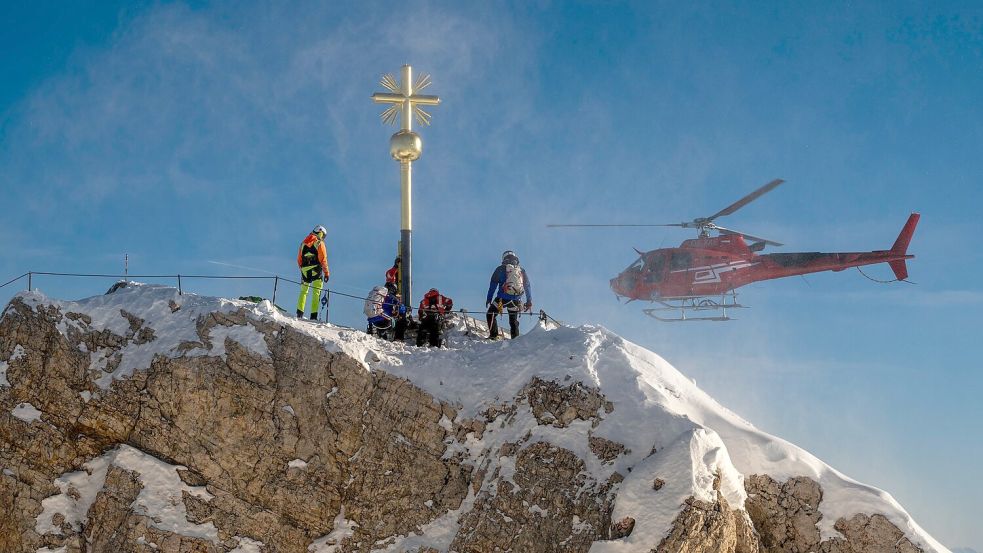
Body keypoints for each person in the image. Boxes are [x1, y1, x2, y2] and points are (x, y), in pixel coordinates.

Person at [486, 250, 532, 339]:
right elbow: (527, 286)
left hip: (501, 299)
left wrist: (489, 299)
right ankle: (515, 341)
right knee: (513, 321)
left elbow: (493, 285)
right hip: (516, 301)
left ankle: (493, 336)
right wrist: (529, 300)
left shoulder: (500, 269)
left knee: (490, 314)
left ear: (504, 258)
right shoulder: (521, 270)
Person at [297, 226, 330, 319]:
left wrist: (303, 269)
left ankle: (299, 313)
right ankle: (313, 316)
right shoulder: (320, 243)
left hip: (305, 271)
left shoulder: (303, 244)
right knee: (316, 293)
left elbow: (299, 260)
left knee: (303, 292)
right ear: (321, 233)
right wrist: (327, 273)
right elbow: (323, 260)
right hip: (316, 271)